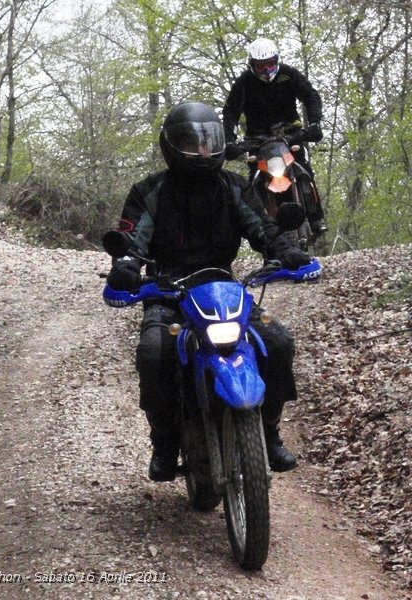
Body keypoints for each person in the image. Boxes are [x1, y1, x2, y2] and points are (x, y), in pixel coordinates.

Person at [106, 101, 312, 481]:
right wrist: (127, 266)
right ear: (171, 146)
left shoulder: (233, 186)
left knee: (278, 341)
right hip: (167, 290)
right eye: (191, 143)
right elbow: (135, 236)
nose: (202, 151)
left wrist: (284, 249)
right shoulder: (149, 192)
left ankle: (268, 431)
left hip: (223, 288)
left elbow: (261, 227)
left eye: (208, 142)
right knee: (155, 354)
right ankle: (164, 442)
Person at [222, 37, 327, 234]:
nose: (265, 70)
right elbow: (230, 112)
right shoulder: (245, 82)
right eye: (260, 66)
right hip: (257, 140)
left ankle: (316, 217)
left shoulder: (288, 74)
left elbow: (311, 95)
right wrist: (229, 140)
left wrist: (314, 123)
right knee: (253, 181)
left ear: (276, 60)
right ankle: (260, 228)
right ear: (252, 65)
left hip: (290, 134)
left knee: (303, 171)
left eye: (269, 64)